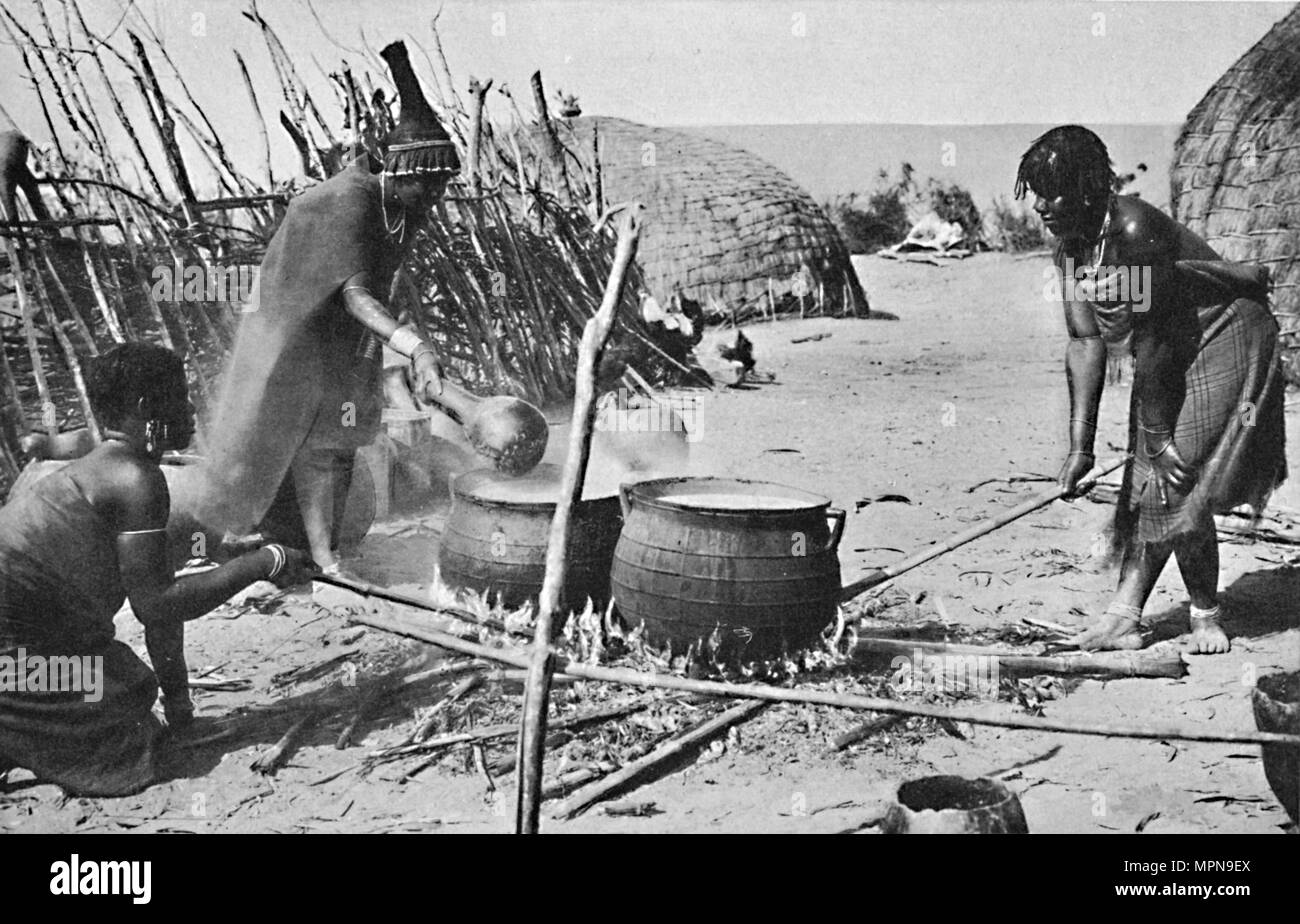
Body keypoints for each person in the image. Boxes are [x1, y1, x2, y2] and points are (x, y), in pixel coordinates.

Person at [1016, 125, 1287, 653]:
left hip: (1224, 335)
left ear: (1090, 187)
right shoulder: (1072, 249)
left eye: (1055, 191)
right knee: (1149, 477)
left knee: (1173, 470)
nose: (1043, 206)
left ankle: (1201, 613)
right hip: (1167, 347)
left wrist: (1159, 440)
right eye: (1037, 193)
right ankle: (1129, 616)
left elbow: (1158, 342)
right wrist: (1080, 447)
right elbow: (1084, 343)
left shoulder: (1136, 231)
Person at [0, 344, 314, 796]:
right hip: (16, 648)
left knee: (127, 685)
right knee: (119, 724)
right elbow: (158, 606)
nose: (190, 410)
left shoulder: (111, 467)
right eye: (180, 396)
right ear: (147, 407)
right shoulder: (135, 480)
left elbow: (159, 599)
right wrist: (265, 563)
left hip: (33, 637)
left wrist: (181, 713)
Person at [197, 41, 456, 573]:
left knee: (337, 440)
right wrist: (414, 345)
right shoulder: (344, 201)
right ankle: (248, 542)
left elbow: (387, 282)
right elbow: (355, 291)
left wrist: (415, 347)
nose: (434, 200)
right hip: (287, 332)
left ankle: (319, 552)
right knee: (272, 434)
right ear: (402, 172)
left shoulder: (401, 206)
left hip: (343, 335)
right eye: (427, 188)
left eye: (439, 190)